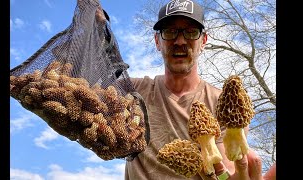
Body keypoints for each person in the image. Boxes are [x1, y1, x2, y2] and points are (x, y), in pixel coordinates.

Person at [95, 0, 275, 179]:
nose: (180, 41)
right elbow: (86, 85)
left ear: (203, 40)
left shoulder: (223, 105)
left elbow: (226, 173)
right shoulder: (132, 92)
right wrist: (96, 31)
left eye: (191, 32)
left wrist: (227, 176)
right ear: (157, 41)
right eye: (170, 31)